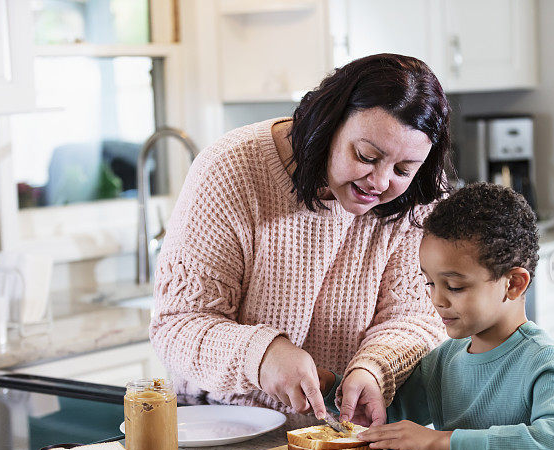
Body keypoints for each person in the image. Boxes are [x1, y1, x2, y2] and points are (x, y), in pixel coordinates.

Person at [150, 54, 451, 425]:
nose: (381, 182)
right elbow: (177, 326)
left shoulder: (419, 196)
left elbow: (417, 317)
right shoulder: (230, 170)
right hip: (221, 426)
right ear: (328, 125)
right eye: (366, 156)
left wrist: (375, 368)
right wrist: (262, 356)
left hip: (342, 431)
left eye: (403, 169)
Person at [321, 184, 554, 450]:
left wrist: (445, 442)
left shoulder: (541, 358)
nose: (437, 300)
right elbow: (388, 417)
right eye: (430, 283)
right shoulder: (443, 361)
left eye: (454, 286)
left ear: (514, 284)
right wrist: (329, 385)